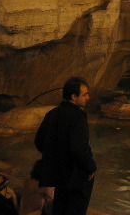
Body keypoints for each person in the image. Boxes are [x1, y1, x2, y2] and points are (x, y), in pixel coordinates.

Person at [34, 77, 97, 215]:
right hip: (76, 176)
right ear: (74, 97)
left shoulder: (52, 114)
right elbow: (79, 148)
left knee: (59, 208)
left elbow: (39, 141)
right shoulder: (77, 117)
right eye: (85, 94)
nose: (88, 97)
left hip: (57, 175)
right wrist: (91, 167)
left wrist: (54, 157)